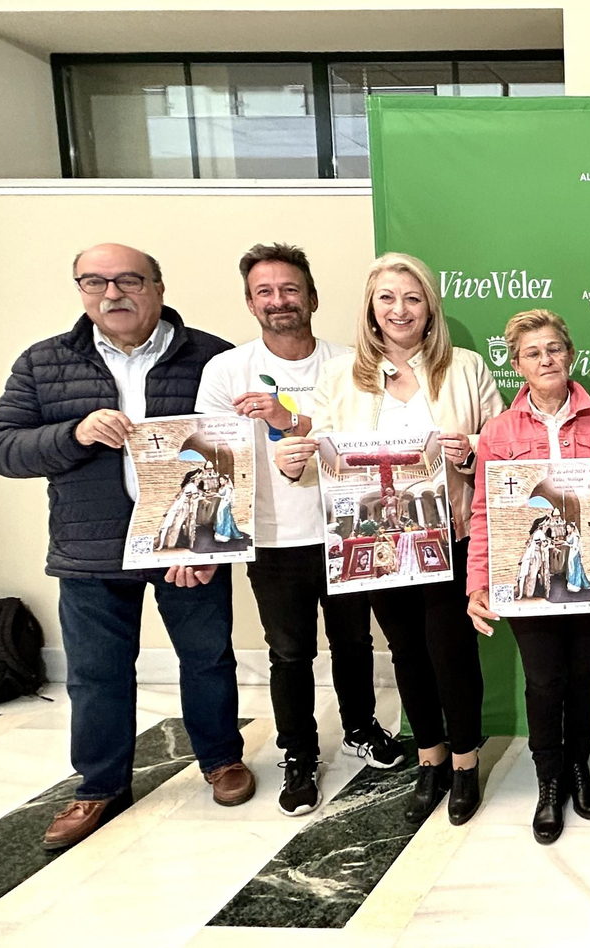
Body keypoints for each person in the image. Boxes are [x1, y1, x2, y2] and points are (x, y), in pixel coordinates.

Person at [0, 243, 254, 850]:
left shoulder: (211, 357)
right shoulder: (44, 362)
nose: (113, 293)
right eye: (95, 281)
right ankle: (98, 785)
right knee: (96, 675)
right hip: (89, 548)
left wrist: (204, 543)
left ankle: (221, 759)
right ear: (80, 290)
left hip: (189, 542)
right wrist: (71, 433)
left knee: (208, 659)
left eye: (129, 279)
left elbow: (238, 451)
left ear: (158, 286)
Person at [274, 252, 503, 826]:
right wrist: (292, 456)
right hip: (376, 543)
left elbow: (501, 446)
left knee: (452, 651)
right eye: (387, 299)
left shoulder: (466, 368)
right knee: (406, 651)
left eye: (413, 298)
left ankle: (465, 763)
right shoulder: (341, 376)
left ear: (430, 308)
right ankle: (429, 757)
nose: (400, 310)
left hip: (450, 533)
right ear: (371, 310)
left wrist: (470, 448)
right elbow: (317, 457)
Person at [196, 242, 402, 818]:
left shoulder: (349, 364)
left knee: (354, 641)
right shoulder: (226, 370)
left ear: (311, 297)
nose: (279, 300)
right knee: (289, 652)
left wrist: (290, 420)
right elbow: (214, 457)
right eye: (265, 291)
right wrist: (212, 539)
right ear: (250, 303)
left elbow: (360, 436)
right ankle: (300, 753)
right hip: (273, 536)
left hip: (347, 528)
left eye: (290, 289)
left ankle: (361, 728)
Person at [466, 309, 590, 844]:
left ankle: (579, 768)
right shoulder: (497, 431)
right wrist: (477, 584)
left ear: (570, 354)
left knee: (586, 678)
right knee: (544, 682)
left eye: (554, 349)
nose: (546, 359)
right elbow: (483, 513)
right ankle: (547, 783)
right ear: (517, 364)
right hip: (530, 578)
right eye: (533, 352)